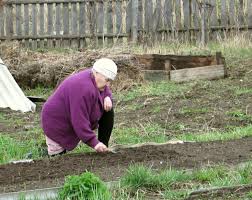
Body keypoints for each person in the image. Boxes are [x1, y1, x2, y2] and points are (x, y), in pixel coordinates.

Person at [41, 58, 117, 156]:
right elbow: (79, 121)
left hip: (70, 114)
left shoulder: (94, 76)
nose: (108, 84)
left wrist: (107, 96)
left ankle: (104, 147)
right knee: (58, 160)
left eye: (110, 81)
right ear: (96, 73)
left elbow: (105, 89)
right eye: (107, 80)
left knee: (108, 109)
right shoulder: (83, 89)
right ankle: (45, 152)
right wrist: (94, 143)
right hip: (56, 121)